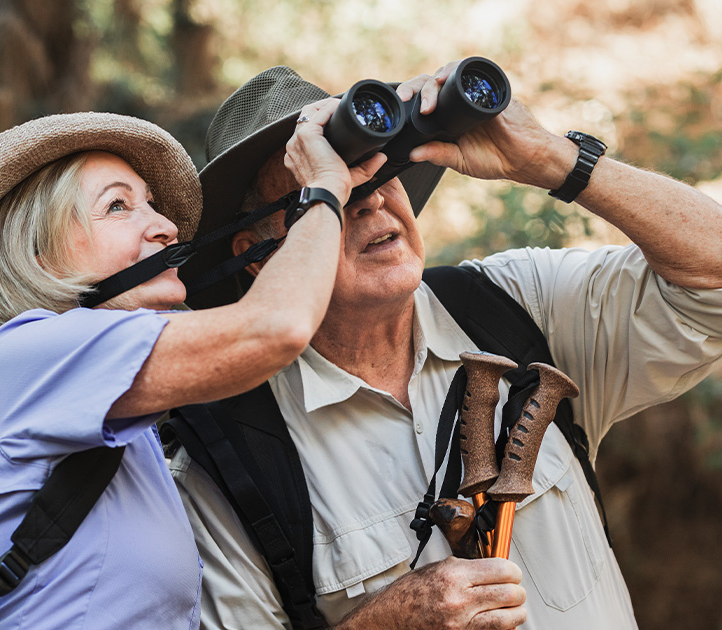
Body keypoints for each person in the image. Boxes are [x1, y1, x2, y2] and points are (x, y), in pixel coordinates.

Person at [169, 62, 722, 629]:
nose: (370, 201)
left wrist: (553, 159)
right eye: (322, 191)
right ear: (259, 257)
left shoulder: (513, 306)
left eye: (378, 168)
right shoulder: (229, 459)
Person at [0, 109, 385, 628]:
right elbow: (275, 328)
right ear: (40, 255)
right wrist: (322, 191)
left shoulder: (122, 414)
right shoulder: (29, 354)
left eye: (152, 206)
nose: (166, 227)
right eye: (117, 206)